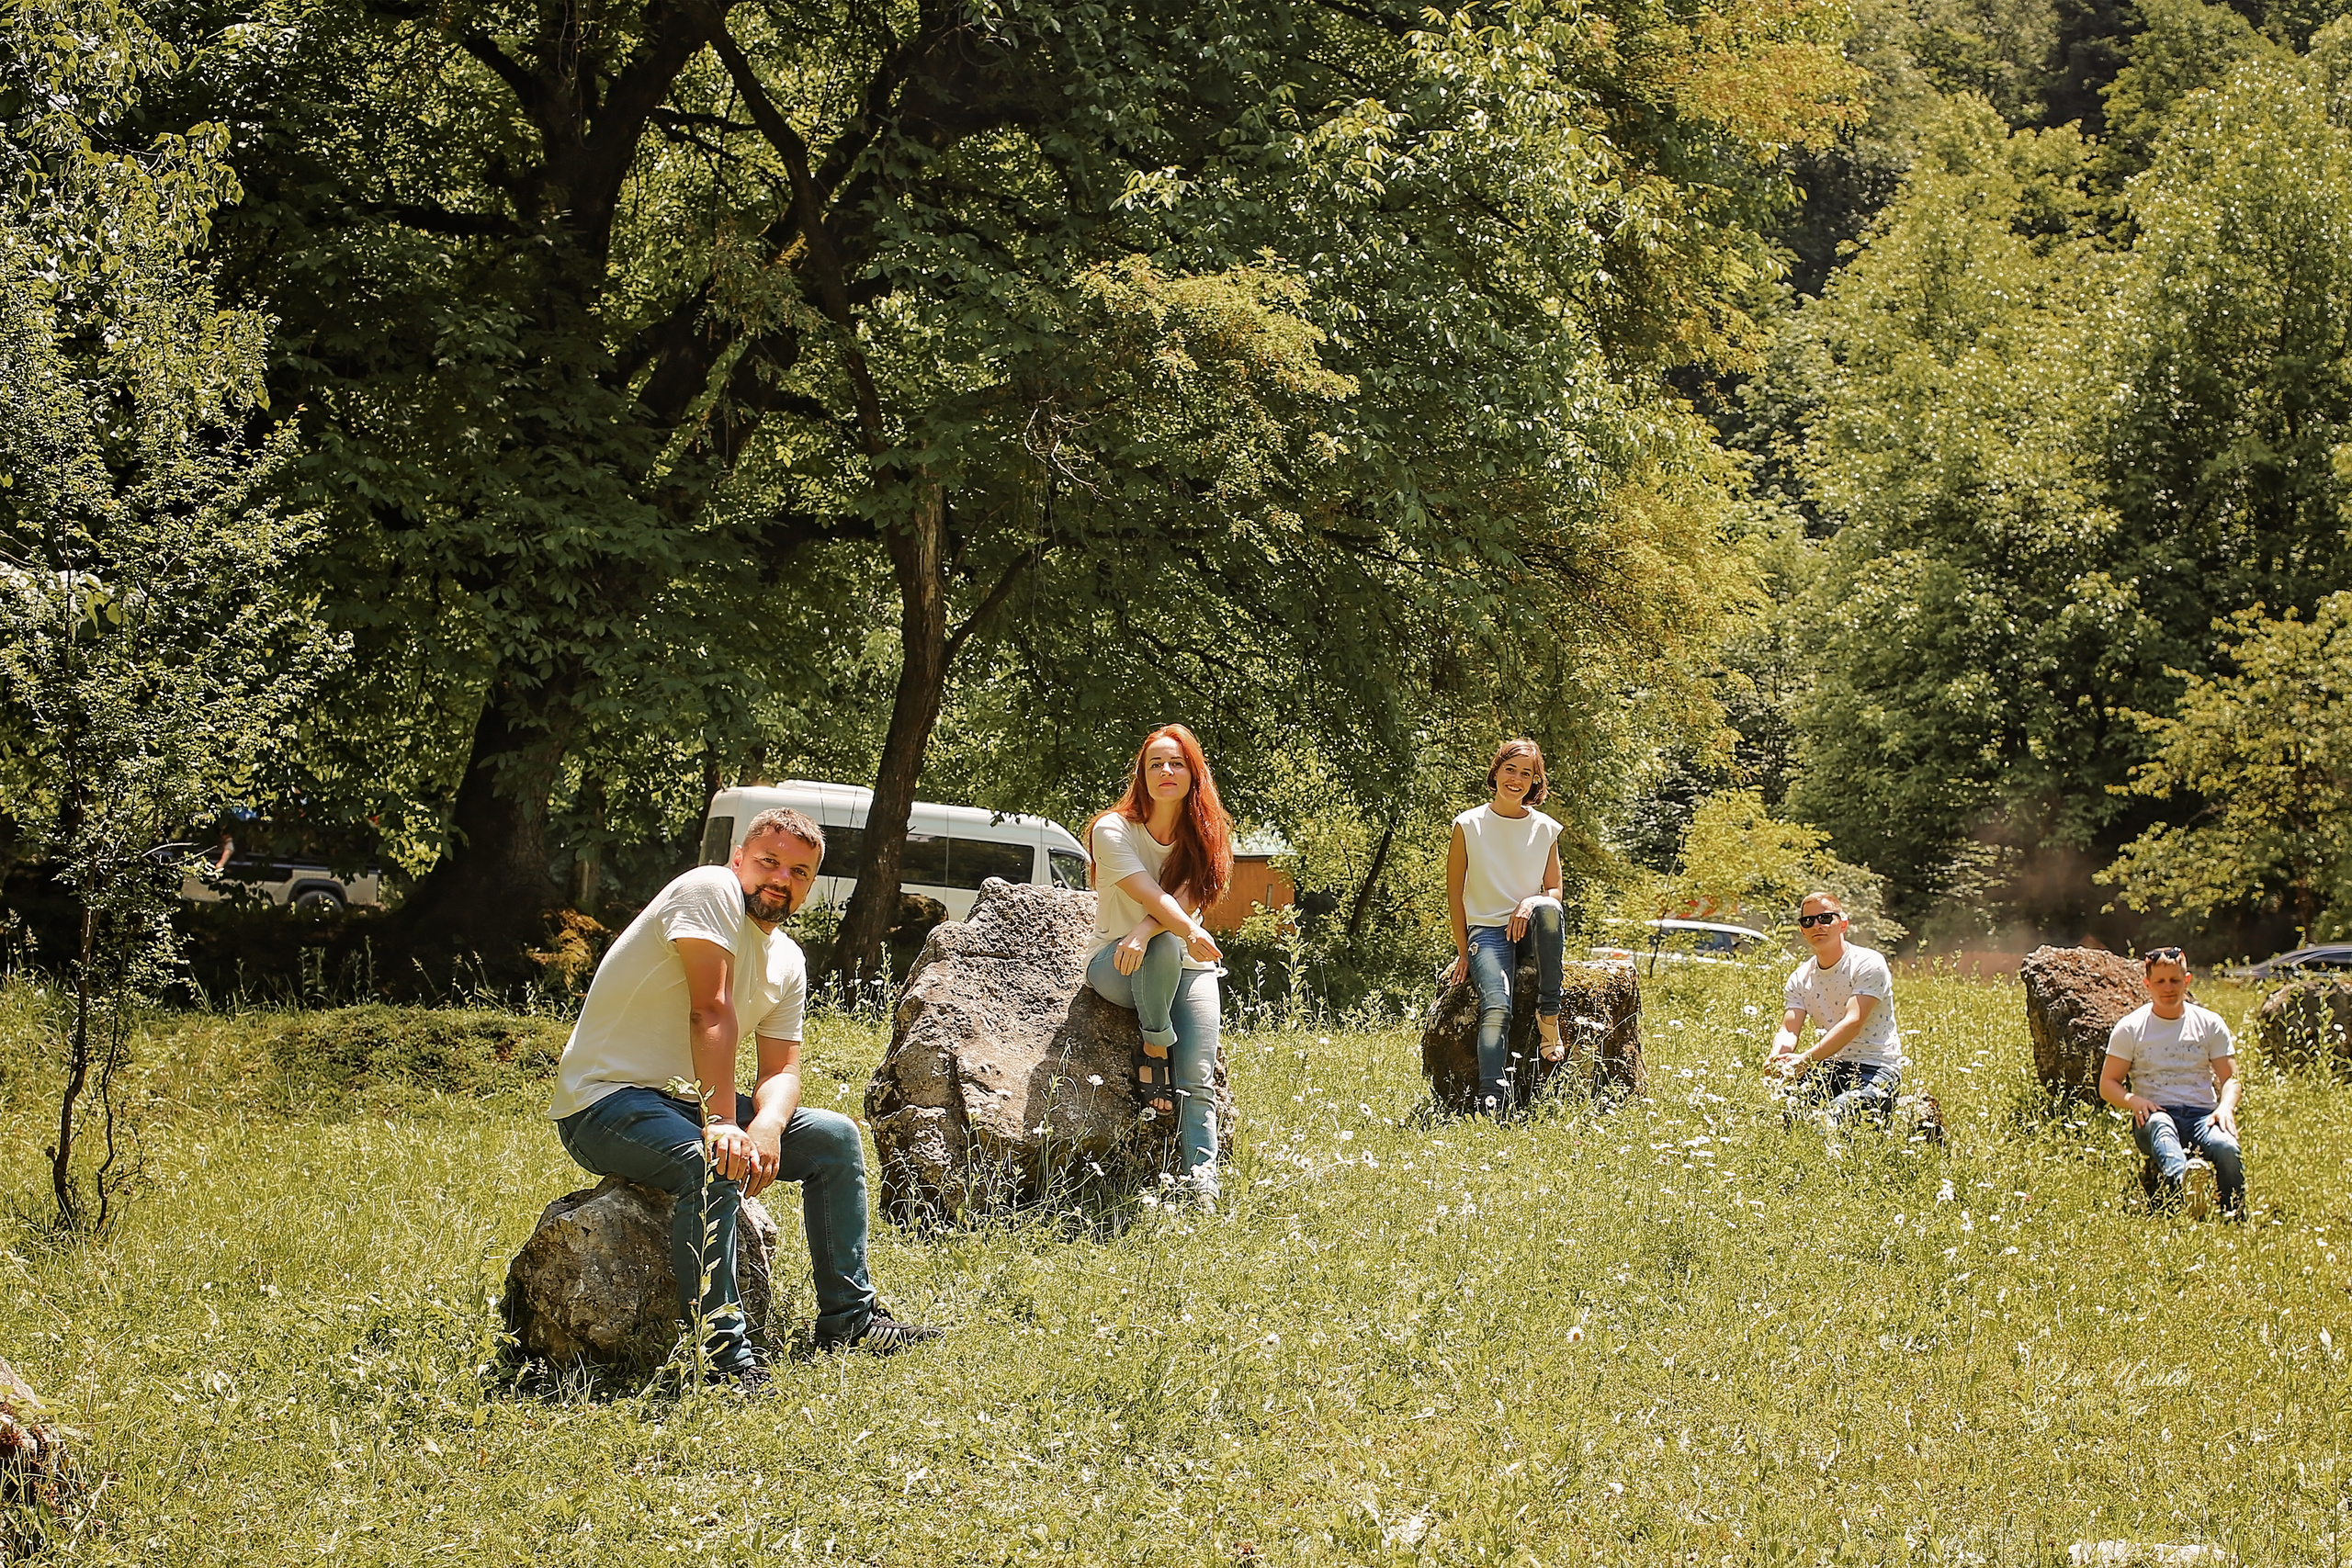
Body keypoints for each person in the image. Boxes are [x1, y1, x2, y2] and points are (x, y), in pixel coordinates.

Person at [547, 807, 939, 1387]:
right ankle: (722, 1354)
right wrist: (725, 1123)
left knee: (834, 1138)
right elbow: (710, 1008)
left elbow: (781, 1068)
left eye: (800, 872)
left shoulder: (788, 959)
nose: (782, 880)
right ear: (739, 859)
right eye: (770, 862)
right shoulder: (709, 891)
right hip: (606, 1103)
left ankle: (849, 1316)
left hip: (687, 1105)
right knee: (712, 1166)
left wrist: (769, 1125)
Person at [1083, 724, 1234, 1206]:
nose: (1166, 771)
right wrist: (1183, 930)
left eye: (1177, 763)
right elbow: (1148, 893)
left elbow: (1183, 900)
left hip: (1184, 966)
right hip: (1116, 965)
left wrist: (1148, 930)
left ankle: (1203, 1184)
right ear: (1142, 775)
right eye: (1156, 764)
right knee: (1165, 947)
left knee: (1197, 1074)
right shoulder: (1111, 830)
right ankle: (1153, 1049)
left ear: (1194, 773)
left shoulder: (1206, 834)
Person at [1445, 739, 1566, 1119]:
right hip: (1488, 931)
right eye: (1510, 769)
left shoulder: (1545, 828)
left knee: (1548, 908)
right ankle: (1490, 1102)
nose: (1516, 779)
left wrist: (1530, 901)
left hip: (1531, 928)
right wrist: (1464, 953)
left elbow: (1555, 891)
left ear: (1535, 782)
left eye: (1526, 773)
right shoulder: (1468, 825)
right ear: (1496, 771)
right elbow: (1455, 894)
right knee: (1496, 1006)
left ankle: (1549, 1018)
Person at [2100, 946, 2244, 1219]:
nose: (2168, 988)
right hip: (2155, 1115)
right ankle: (2188, 1193)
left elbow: (2231, 1078)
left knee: (2226, 1147)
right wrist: (2135, 1101)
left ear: (2187, 980)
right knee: (2162, 1127)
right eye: (2160, 981)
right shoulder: (2131, 1027)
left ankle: (2234, 1216)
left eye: (2175, 980)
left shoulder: (2210, 1023)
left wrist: (2225, 1108)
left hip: (2203, 1116)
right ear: (2147, 984)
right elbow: (2108, 1084)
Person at [1768, 890, 1903, 1126]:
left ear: (1843, 924)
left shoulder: (1868, 963)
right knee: (1785, 1113)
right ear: (1802, 930)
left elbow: (1854, 1021)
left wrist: (1805, 1060)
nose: (1817, 925)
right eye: (1808, 921)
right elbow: (1789, 1029)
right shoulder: (1799, 978)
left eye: (1826, 918)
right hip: (1829, 1068)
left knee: (1835, 1116)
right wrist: (1778, 1056)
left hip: (1876, 1068)